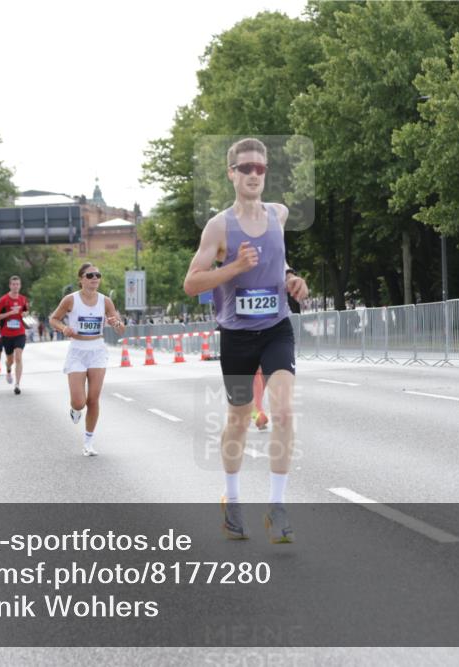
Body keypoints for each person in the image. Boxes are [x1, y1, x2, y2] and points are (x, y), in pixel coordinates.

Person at [183, 137, 309, 544]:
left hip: (276, 328)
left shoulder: (279, 214)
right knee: (239, 417)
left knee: (284, 412)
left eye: (260, 168)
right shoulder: (219, 226)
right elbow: (191, 283)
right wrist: (234, 266)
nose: (254, 175)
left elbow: (279, 257)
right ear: (231, 173)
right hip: (237, 336)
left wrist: (291, 278)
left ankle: (277, 508)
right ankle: (233, 502)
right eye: (246, 168)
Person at [49, 262, 126, 456]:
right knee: (78, 402)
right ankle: (75, 410)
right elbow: (53, 319)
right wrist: (64, 328)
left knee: (93, 399)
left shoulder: (105, 301)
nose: (95, 279)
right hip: (77, 351)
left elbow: (120, 328)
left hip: (97, 350)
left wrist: (116, 322)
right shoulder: (71, 300)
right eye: (90, 276)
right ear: (81, 279)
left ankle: (88, 442)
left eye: (98, 276)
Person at [0, 275, 30, 395]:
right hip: (7, 334)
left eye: (17, 284)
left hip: (20, 332)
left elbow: (26, 310)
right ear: (10, 285)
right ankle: (8, 369)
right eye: (13, 284)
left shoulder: (23, 299)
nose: (15, 286)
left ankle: (17, 384)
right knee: (10, 360)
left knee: (18, 357)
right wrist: (10, 313)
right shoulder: (4, 300)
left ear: (20, 286)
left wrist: (24, 314)